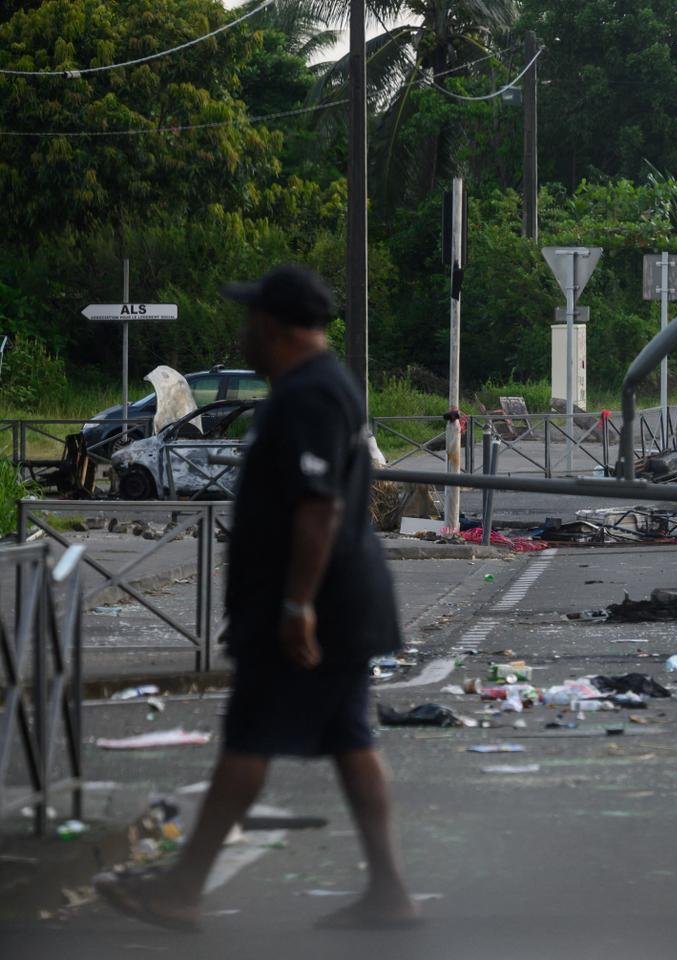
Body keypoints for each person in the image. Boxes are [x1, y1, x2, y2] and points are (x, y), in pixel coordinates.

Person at [95, 264, 417, 931]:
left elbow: (317, 507)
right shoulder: (320, 387)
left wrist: (296, 605)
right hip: (340, 602)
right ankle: (390, 889)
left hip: (309, 607)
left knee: (248, 740)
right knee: (351, 737)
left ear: (272, 326)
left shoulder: (309, 396)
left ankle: (183, 887)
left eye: (250, 321)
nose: (244, 334)